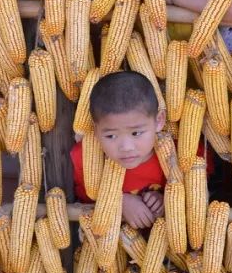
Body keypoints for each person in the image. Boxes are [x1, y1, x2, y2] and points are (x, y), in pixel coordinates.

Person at [70, 71, 170, 228]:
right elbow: (85, 199)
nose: (126, 148)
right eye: (111, 136)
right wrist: (119, 201)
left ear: (159, 121)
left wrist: (164, 199)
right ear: (96, 130)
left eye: (136, 133)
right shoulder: (84, 159)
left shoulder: (171, 156)